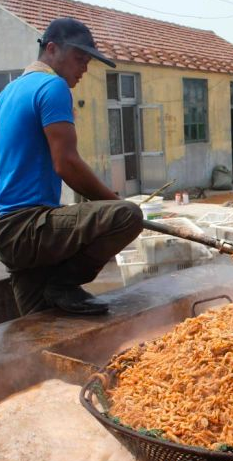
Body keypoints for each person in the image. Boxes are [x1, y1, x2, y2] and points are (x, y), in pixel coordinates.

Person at [0, 18, 143, 317]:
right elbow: (66, 163)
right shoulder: (53, 86)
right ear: (51, 49)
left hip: (9, 236)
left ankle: (56, 288)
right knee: (128, 216)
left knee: (40, 327)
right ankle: (63, 283)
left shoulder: (8, 93)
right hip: (28, 227)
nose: (84, 68)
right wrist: (114, 202)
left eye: (88, 61)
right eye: (80, 58)